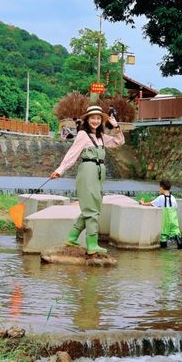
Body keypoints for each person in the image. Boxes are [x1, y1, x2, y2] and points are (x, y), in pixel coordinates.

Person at [50, 105, 124, 255]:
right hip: (88, 171)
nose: (95, 121)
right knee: (91, 210)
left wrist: (116, 126)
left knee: (93, 208)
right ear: (87, 119)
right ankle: (92, 245)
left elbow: (119, 141)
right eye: (93, 118)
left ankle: (72, 238)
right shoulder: (83, 135)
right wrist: (60, 170)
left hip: (98, 174)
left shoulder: (101, 136)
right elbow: (73, 153)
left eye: (98, 118)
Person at [140, 179, 182, 249]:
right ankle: (180, 246)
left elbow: (151, 204)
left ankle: (164, 251)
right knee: (176, 232)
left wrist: (142, 203)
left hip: (165, 219)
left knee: (164, 235)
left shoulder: (161, 198)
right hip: (173, 219)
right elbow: (176, 208)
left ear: (161, 187)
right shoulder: (173, 198)